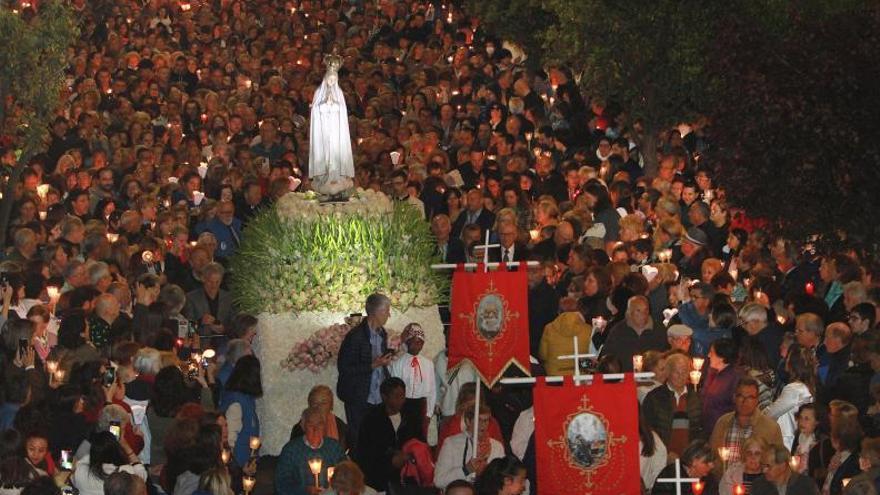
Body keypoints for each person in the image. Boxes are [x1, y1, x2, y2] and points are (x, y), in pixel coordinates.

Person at [337, 293, 393, 448]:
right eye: (387, 311)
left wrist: (384, 363)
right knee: (359, 439)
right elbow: (344, 368)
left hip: (377, 397)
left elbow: (378, 363)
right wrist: (373, 365)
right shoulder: (355, 336)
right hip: (359, 397)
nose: (389, 314)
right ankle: (357, 471)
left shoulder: (382, 334)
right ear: (377, 312)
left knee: (376, 439)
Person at [309, 49, 355, 197]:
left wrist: (334, 104)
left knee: (335, 154)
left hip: (335, 131)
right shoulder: (319, 94)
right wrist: (324, 104)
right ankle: (324, 177)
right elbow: (315, 111)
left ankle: (338, 177)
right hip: (323, 131)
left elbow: (342, 112)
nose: (331, 82)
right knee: (325, 155)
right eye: (330, 79)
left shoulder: (339, 95)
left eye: (334, 80)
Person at [709, 377, 784, 467]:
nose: (744, 401)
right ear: (734, 398)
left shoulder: (771, 428)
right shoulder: (722, 423)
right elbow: (712, 456)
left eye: (750, 397)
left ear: (757, 400)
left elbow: (778, 462)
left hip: (755, 479)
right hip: (723, 478)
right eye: (740, 396)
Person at [642, 352, 704, 457]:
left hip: (688, 458)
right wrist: (664, 453)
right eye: (677, 372)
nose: (681, 376)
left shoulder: (696, 398)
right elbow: (646, 430)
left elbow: (700, 430)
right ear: (668, 372)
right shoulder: (654, 397)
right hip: (660, 456)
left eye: (684, 372)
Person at [276, 407, 346, 495]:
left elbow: (346, 474)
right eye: (310, 425)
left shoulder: (334, 447)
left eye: (319, 424)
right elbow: (281, 484)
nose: (315, 429)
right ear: (303, 426)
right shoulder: (291, 450)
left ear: (324, 426)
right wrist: (304, 490)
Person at [435, 403, 506, 490]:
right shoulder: (451, 443)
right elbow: (438, 481)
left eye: (486, 420)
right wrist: (466, 470)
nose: (483, 425)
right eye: (479, 420)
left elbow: (502, 482)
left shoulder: (497, 446)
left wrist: (486, 472)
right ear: (468, 421)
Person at [763, 347, 816, 450]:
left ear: (793, 364)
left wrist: (758, 416)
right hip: (794, 439)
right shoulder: (807, 387)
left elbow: (772, 412)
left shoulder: (794, 389)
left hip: (786, 441)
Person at [388, 323, 436, 436]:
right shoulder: (398, 363)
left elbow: (432, 390)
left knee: (420, 438)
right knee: (403, 437)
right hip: (404, 405)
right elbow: (395, 390)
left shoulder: (428, 364)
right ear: (407, 342)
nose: (417, 345)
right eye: (414, 342)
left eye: (420, 342)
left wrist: (429, 414)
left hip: (421, 405)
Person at [599, 295, 669, 372]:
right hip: (625, 378)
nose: (643, 314)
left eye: (646, 310)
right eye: (638, 310)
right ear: (629, 312)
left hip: (654, 379)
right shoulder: (618, 331)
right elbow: (606, 357)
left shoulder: (659, 329)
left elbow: (666, 354)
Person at [218, 355, 263, 466]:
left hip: (244, 463)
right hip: (238, 465)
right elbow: (230, 439)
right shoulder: (236, 402)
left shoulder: (246, 399)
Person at [71, 431, 147, 495]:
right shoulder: (125, 472)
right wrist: (126, 446)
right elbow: (142, 475)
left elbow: (74, 479)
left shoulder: (80, 469)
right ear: (116, 450)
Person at [289, 385, 349, 454]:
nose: (319, 407)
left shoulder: (341, 428)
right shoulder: (300, 429)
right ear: (309, 405)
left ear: (331, 406)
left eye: (324, 403)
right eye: (315, 403)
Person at [700, 338, 742, 433]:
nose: (708, 355)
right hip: (708, 428)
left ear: (722, 357)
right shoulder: (713, 372)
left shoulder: (734, 378)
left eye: (712, 352)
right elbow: (704, 395)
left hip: (722, 431)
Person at [652, 440, 719, 495]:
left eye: (712, 462)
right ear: (694, 461)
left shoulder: (710, 480)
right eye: (707, 462)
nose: (712, 466)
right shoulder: (670, 474)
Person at [751, 445, 819, 495]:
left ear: (783, 465)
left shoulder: (806, 485)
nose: (764, 470)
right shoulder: (758, 486)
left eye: (768, 466)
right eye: (762, 465)